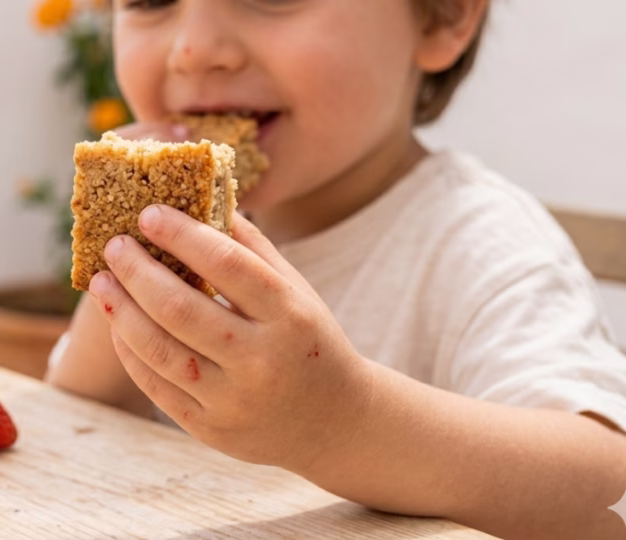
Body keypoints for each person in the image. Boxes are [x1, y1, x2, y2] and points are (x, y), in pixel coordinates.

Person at [45, 1, 626, 538]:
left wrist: (339, 422)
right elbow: (79, 432)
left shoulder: (482, 243)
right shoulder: (181, 228)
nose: (193, 48)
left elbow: (608, 486)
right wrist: (124, 283)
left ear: (441, 17)